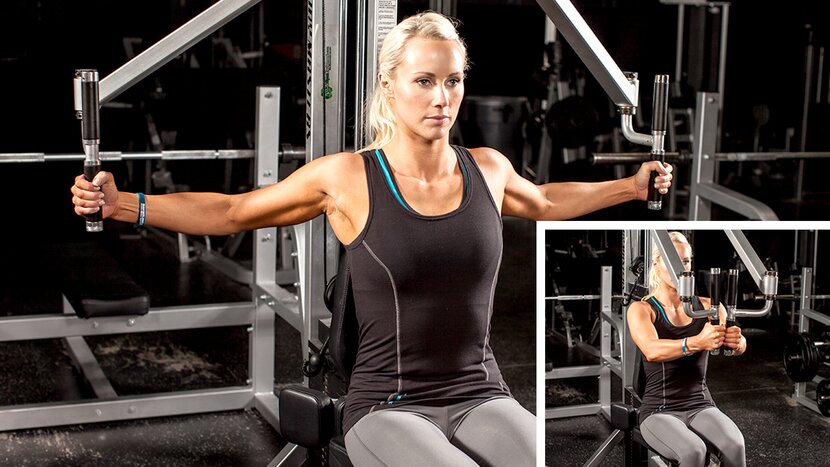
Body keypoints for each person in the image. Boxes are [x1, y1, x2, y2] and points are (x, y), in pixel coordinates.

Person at [72, 12, 672, 467]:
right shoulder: (348, 177)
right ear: (389, 86)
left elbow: (543, 202)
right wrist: (126, 203)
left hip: (479, 389)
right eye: (425, 81)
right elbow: (234, 211)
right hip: (387, 401)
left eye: (454, 81)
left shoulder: (487, 168)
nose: (442, 98)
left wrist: (629, 185)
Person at [627, 232, 747, 467]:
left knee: (736, 446)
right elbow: (652, 350)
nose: (681, 269)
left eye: (685, 262)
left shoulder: (708, 307)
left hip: (700, 404)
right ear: (655, 263)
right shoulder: (642, 309)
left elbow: (737, 345)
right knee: (693, 452)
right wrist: (696, 342)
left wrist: (738, 342)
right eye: (672, 261)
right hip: (659, 410)